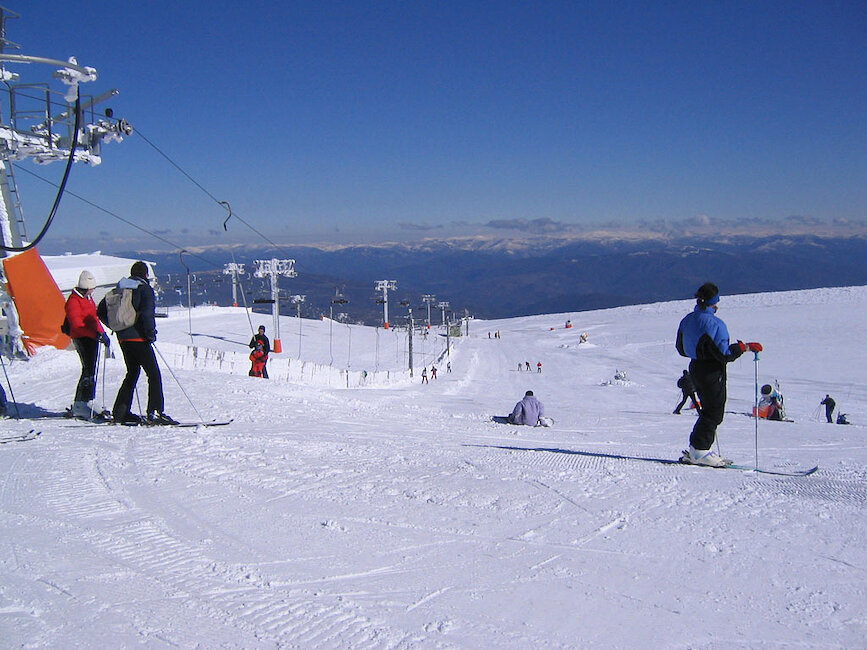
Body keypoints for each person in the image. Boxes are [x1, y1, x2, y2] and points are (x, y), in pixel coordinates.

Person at [676, 282, 761, 466]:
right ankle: (700, 451)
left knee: (708, 410)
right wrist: (743, 347)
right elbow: (725, 354)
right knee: (714, 412)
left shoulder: (687, 320)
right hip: (712, 370)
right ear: (714, 303)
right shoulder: (716, 324)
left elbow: (680, 348)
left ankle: (697, 450)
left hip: (695, 367)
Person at [109, 261, 177, 425]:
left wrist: (118, 327)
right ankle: (155, 412)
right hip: (139, 337)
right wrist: (150, 333)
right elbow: (147, 313)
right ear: (146, 275)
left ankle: (120, 411)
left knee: (132, 373)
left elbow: (102, 310)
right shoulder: (144, 289)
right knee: (153, 374)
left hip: (123, 338)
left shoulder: (119, 289)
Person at [65, 270, 110, 420]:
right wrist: (95, 334)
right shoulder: (73, 301)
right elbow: (77, 325)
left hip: (91, 337)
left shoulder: (87, 298)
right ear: (86, 287)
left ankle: (88, 399)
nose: (93, 290)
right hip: (82, 338)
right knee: (88, 369)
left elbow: (94, 319)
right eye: (92, 288)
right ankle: (80, 403)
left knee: (91, 369)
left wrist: (102, 332)